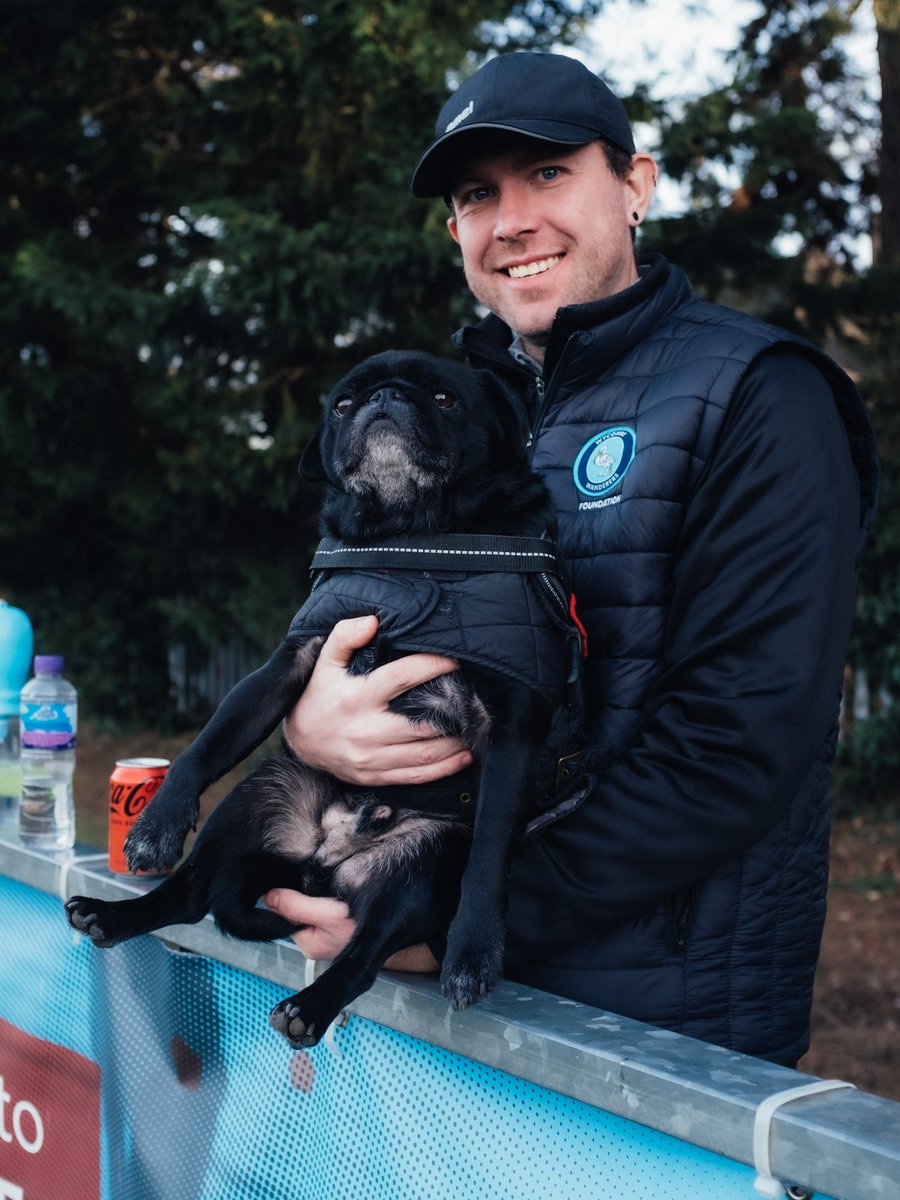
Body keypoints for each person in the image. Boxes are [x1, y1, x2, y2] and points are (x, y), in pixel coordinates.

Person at [265, 52, 878, 1066]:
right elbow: (357, 633)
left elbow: (731, 748)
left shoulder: (763, 397)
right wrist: (311, 720)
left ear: (635, 186)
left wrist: (454, 913)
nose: (511, 220)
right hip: (446, 1011)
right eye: (476, 194)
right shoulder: (456, 418)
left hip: (655, 1044)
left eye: (547, 173)